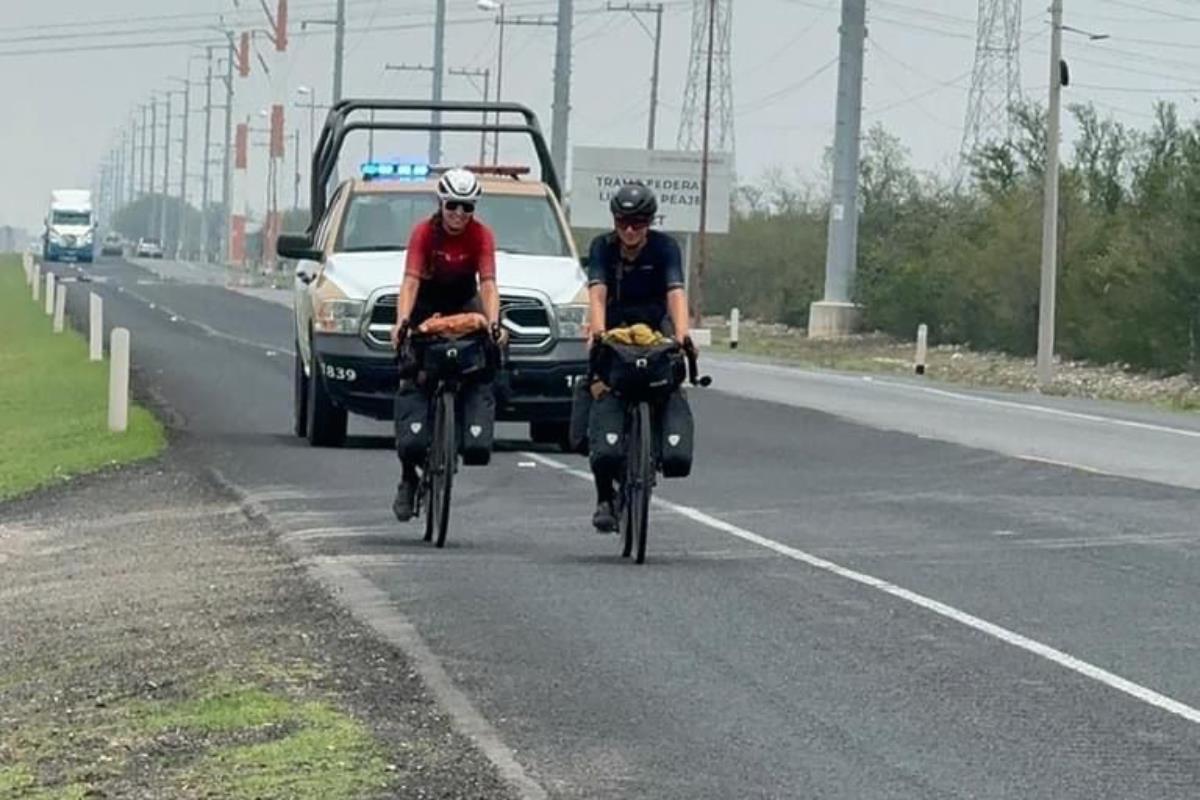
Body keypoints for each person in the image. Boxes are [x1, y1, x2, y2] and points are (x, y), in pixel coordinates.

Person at [389, 168, 503, 521]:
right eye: (452, 205)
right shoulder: (424, 232)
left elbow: (487, 284)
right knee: (414, 373)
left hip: (463, 300)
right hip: (428, 299)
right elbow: (409, 282)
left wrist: (493, 321)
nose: (458, 214)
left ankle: (465, 423)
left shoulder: (481, 236)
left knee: (487, 353)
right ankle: (408, 477)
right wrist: (402, 322)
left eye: (467, 207)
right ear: (441, 203)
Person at [584, 183, 693, 532]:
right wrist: (598, 333)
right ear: (615, 221)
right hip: (615, 323)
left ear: (649, 223)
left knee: (669, 376)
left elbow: (675, 292)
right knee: (603, 392)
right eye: (623, 222)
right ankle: (605, 496)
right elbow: (597, 295)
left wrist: (682, 334)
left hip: (654, 323)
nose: (630, 230)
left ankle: (656, 443)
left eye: (639, 223)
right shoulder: (602, 246)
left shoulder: (666, 248)